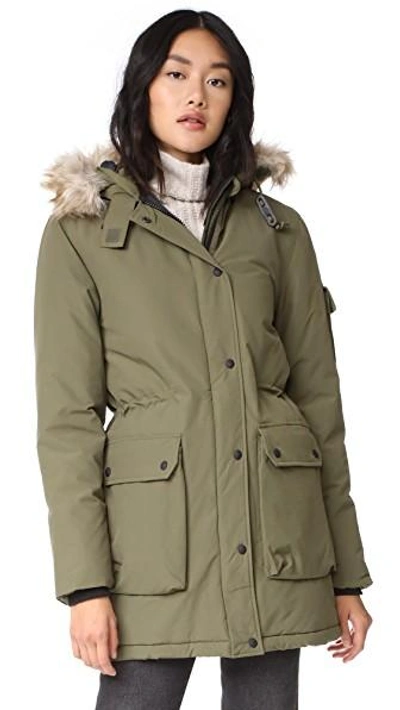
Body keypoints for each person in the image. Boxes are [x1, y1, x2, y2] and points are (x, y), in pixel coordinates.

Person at [34, 8, 374, 710]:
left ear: (235, 100)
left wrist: (346, 574)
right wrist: (86, 586)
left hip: (276, 543)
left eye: (218, 81)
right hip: (154, 558)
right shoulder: (83, 231)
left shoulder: (279, 231)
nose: (197, 96)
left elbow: (320, 407)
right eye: (177, 75)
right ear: (142, 88)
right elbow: (67, 422)